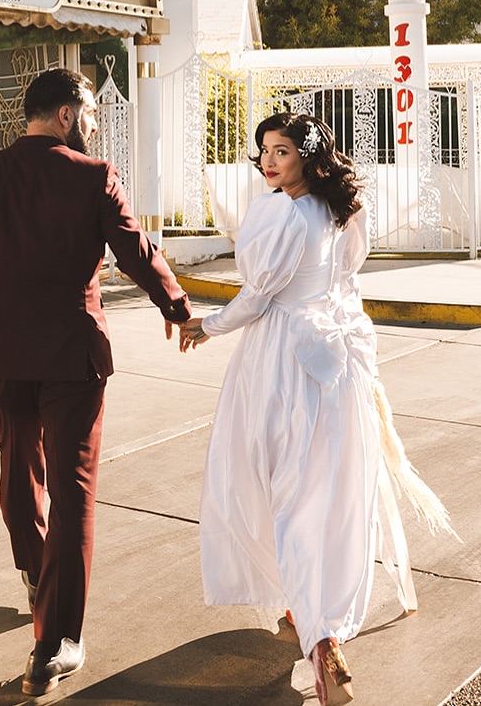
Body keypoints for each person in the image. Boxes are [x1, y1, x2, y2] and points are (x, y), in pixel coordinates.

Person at [0, 67, 192, 698]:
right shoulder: (94, 177)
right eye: (90, 112)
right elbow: (135, 248)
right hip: (73, 356)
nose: (93, 125)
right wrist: (175, 306)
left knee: (19, 472)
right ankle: (58, 638)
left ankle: (38, 575)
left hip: (5, 357)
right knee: (74, 493)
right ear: (67, 114)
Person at [180, 112, 454, 706]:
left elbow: (258, 296)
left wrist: (207, 325)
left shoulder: (275, 213)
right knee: (325, 489)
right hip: (334, 356)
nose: (268, 162)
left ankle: (319, 632)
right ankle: (310, 613)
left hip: (279, 360)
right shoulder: (342, 210)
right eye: (263, 152)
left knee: (275, 485)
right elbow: (346, 280)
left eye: (281, 151)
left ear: (307, 154)